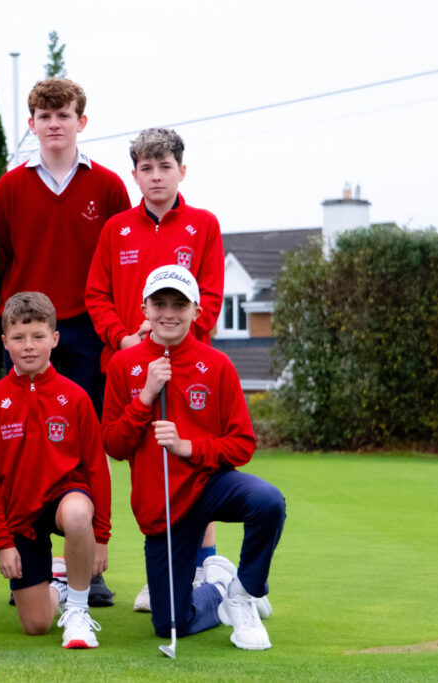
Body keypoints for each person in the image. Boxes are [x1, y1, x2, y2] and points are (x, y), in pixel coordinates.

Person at [0, 77, 129, 606]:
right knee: (21, 453)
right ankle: (30, 570)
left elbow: (117, 260)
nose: (54, 124)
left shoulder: (110, 187)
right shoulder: (9, 188)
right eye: (44, 116)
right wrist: (6, 335)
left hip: (85, 332)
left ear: (80, 122)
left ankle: (86, 573)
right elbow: (1, 259)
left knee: (80, 453)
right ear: (32, 124)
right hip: (26, 335)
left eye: (63, 115)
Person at [102, 265, 286, 650]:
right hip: (163, 506)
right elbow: (114, 446)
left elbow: (242, 444)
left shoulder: (217, 364)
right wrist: (146, 397)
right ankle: (220, 587)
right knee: (170, 622)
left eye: (179, 304)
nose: (169, 312)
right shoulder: (123, 365)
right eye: (160, 303)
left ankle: (245, 591)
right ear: (145, 308)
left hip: (210, 484)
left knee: (268, 502)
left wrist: (189, 447)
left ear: (196, 311)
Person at [85, 127, 225, 613]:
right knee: (144, 470)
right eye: (147, 167)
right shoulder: (116, 228)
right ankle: (165, 572)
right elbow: (96, 296)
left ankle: (206, 570)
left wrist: (173, 338)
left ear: (181, 171)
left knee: (192, 469)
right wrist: (125, 338)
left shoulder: (204, 225)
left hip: (189, 368)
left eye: (165, 166)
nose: (157, 175)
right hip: (130, 365)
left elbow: (208, 297)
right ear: (135, 175)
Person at [0, 292, 111, 649]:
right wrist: (3, 543)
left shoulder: (76, 397)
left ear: (55, 338)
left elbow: (97, 468)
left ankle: (79, 611)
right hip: (20, 515)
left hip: (65, 498)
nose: (29, 346)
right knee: (36, 626)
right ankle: (60, 584)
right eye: (18, 338)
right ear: (4, 342)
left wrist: (102, 536)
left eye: (38, 336)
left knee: (79, 513)